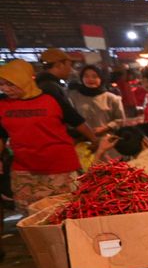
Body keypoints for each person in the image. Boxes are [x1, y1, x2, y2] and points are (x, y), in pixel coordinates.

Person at [0, 59, 81, 212]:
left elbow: (78, 121)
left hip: (59, 168)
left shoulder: (50, 98)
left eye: (10, 84)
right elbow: (1, 134)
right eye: (1, 84)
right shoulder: (2, 104)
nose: (5, 89)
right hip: (25, 170)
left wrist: (96, 140)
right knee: (32, 215)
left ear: (23, 79)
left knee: (66, 212)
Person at [37, 48, 99, 149]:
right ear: (59, 65)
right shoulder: (50, 87)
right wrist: (93, 138)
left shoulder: (41, 84)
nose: (71, 70)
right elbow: (70, 115)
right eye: (69, 65)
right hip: (54, 143)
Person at [70, 64, 125, 133]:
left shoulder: (112, 98)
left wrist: (106, 127)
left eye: (94, 76)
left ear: (101, 78)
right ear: (81, 78)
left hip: (107, 139)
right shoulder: (74, 98)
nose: (90, 79)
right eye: (86, 76)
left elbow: (120, 120)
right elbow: (70, 120)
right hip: (82, 140)